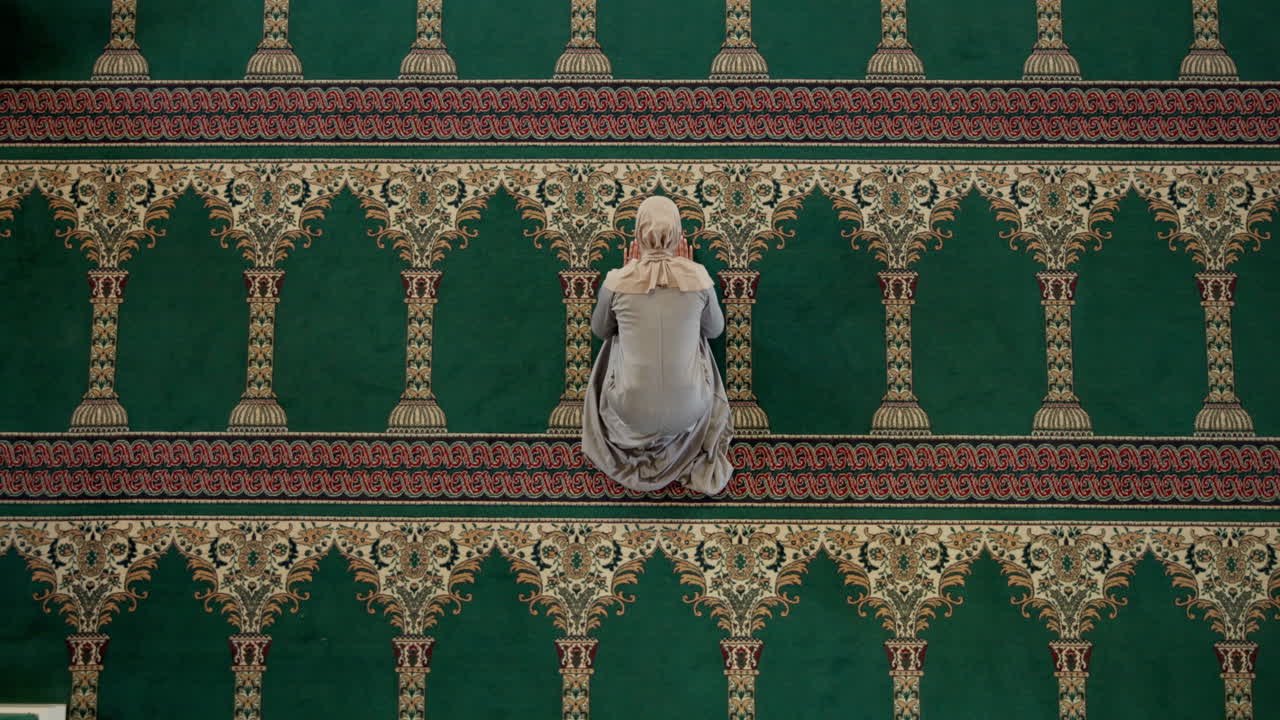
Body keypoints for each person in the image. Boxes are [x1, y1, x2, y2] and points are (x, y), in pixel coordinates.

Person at [581, 195, 734, 495]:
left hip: (628, 412)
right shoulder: (698, 276)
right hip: (691, 412)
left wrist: (628, 276)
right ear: (678, 233)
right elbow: (715, 330)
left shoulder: (617, 279)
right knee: (697, 336)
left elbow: (600, 329)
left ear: (638, 232)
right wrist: (688, 274)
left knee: (617, 337)